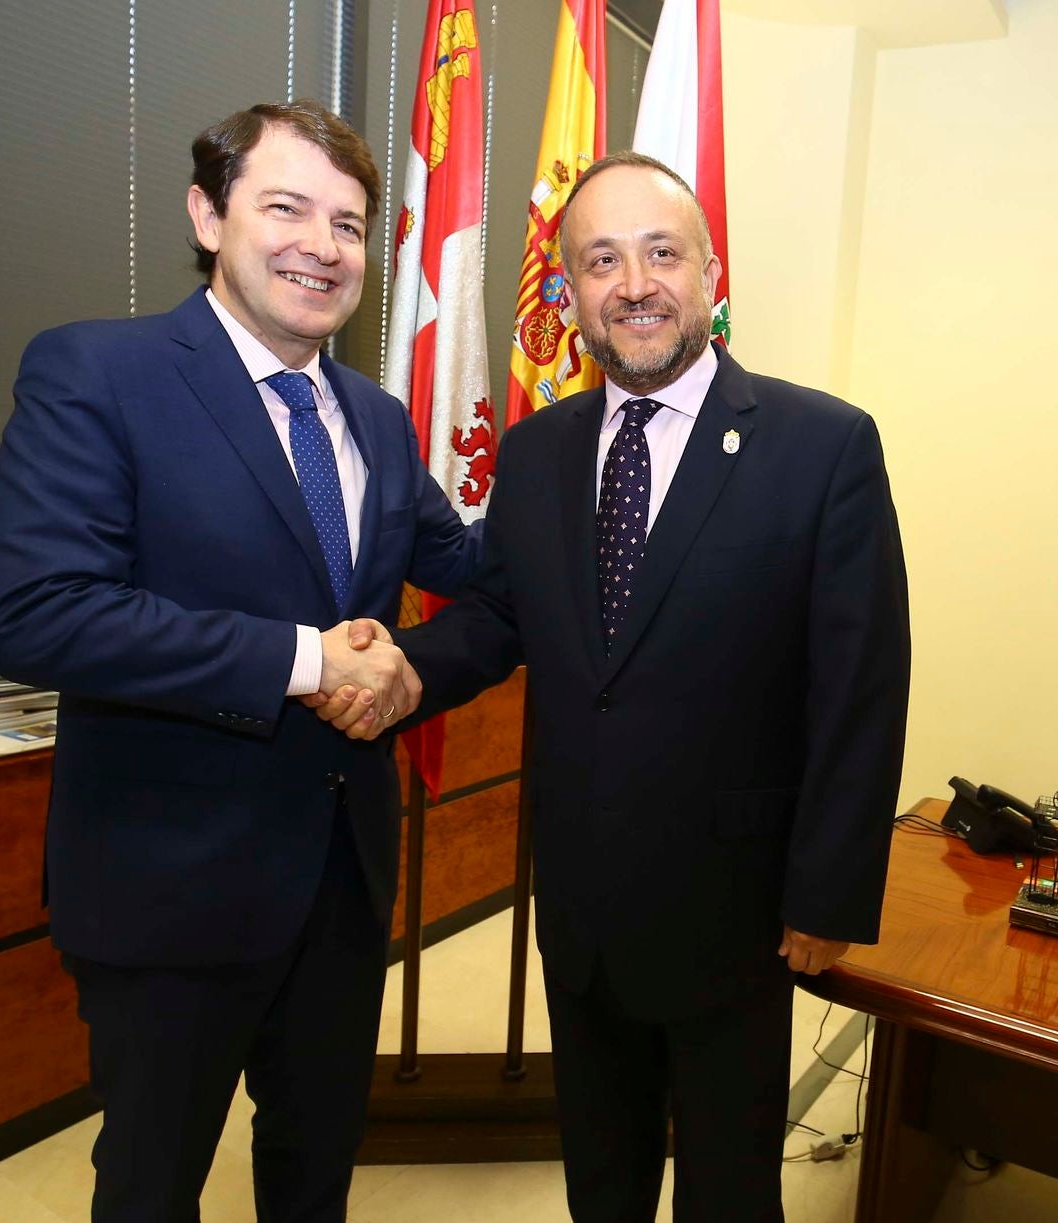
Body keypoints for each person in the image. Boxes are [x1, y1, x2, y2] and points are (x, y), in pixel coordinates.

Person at [312, 151, 911, 1221]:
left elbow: (859, 689)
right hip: (581, 897)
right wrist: (397, 672)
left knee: (729, 1186)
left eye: (659, 252)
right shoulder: (539, 452)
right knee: (602, 1171)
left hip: (737, 907)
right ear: (571, 294)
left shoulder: (823, 447)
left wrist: (828, 893)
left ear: (709, 273)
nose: (633, 283)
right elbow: (503, 616)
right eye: (601, 260)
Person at [0, 100, 480, 1223]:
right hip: (169, 890)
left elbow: (480, 579)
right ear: (207, 215)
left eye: (350, 223)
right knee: (151, 1186)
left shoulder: (379, 421)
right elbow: (38, 612)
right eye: (286, 207)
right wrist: (307, 661)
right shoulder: (98, 373)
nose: (323, 244)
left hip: (342, 887)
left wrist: (409, 666)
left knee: (314, 1179)